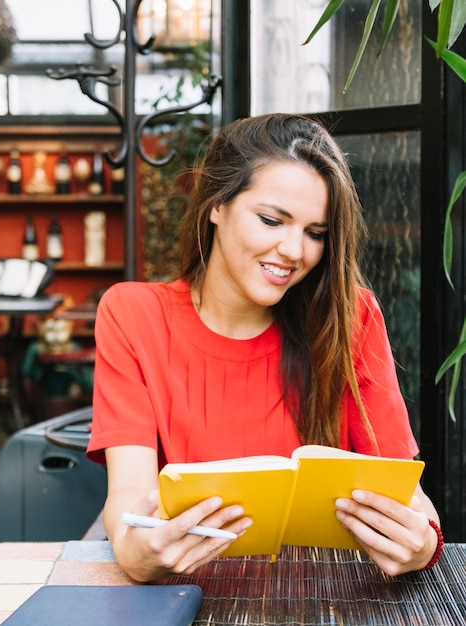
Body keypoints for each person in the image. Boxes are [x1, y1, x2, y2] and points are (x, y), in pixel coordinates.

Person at [86, 113, 441, 582]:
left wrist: (423, 545)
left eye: (316, 233)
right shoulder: (133, 315)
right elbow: (129, 498)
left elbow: (407, 494)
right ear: (216, 204)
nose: (295, 251)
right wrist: (136, 554)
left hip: (325, 597)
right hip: (187, 594)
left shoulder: (349, 317)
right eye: (272, 220)